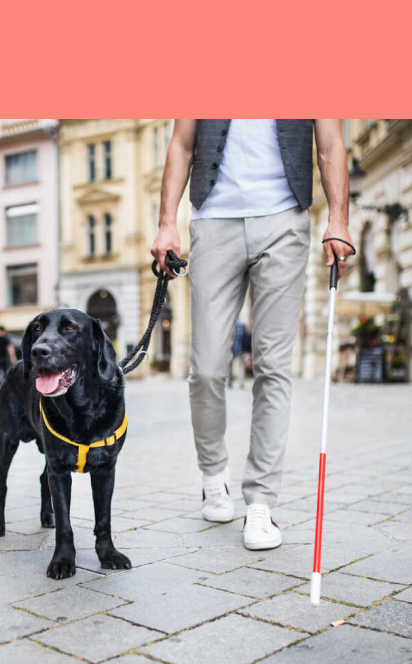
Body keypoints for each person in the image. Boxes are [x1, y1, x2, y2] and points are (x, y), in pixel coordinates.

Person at [150, 119, 354, 550]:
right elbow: (182, 146)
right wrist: (167, 223)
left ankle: (260, 502)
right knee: (206, 368)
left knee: (273, 366)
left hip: (285, 220)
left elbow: (331, 144)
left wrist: (338, 219)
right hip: (214, 221)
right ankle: (213, 475)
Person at [228, 320, 248, 390]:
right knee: (241, 367)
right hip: (240, 349)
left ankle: (230, 382)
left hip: (231, 349)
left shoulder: (231, 325)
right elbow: (245, 337)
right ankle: (241, 382)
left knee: (230, 367)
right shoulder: (242, 325)